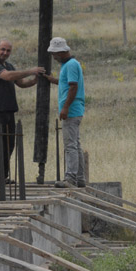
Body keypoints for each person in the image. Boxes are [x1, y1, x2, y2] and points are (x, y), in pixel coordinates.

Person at [0, 38, 45, 184]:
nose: (5, 53)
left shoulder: (9, 65)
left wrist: (35, 80)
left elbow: (21, 83)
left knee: (8, 145)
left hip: (8, 111)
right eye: (2, 49)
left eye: (8, 50)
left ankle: (3, 176)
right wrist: (31, 70)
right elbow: (8, 76)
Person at [42, 37, 86, 188]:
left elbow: (73, 87)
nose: (53, 57)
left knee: (70, 145)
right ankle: (80, 178)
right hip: (75, 110)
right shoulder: (68, 65)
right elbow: (66, 83)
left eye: (54, 54)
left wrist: (65, 107)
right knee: (75, 144)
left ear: (60, 52)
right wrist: (51, 79)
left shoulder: (71, 65)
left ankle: (71, 178)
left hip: (72, 111)